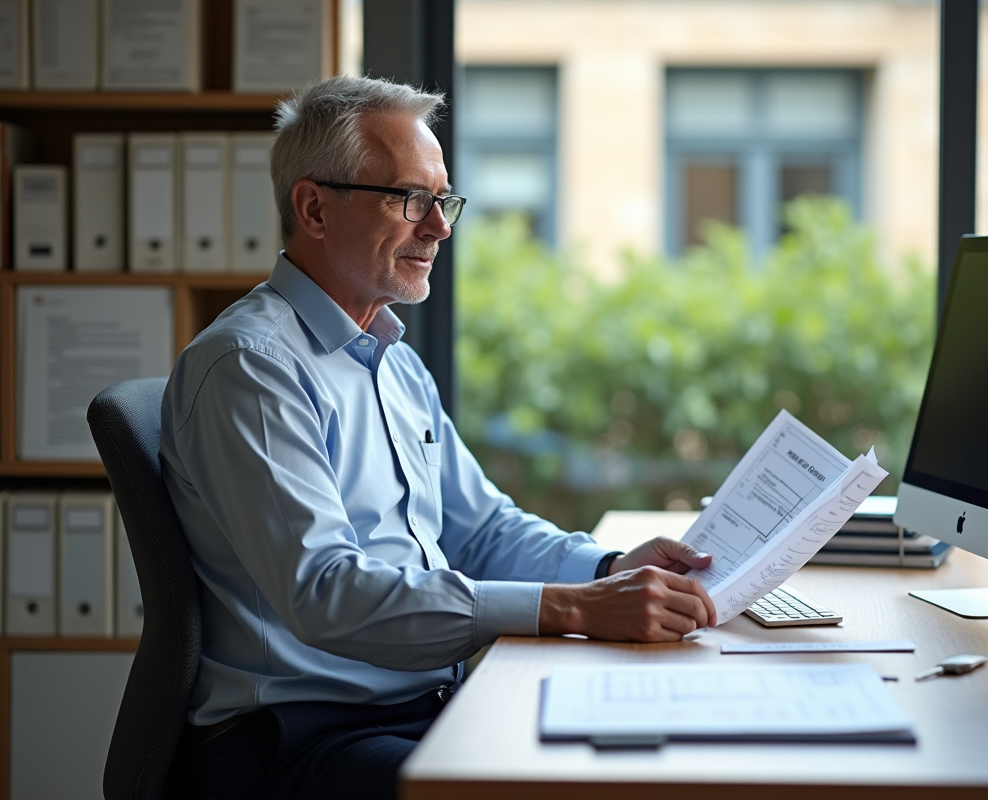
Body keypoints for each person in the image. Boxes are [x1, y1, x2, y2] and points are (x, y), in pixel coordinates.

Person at [160, 75, 717, 800]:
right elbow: (326, 592)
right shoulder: (251, 369)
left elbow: (482, 529)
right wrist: (571, 608)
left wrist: (606, 567)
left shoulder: (391, 359)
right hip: (301, 741)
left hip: (415, 709)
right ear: (314, 207)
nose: (439, 227)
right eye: (409, 199)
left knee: (643, 755)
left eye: (442, 200)